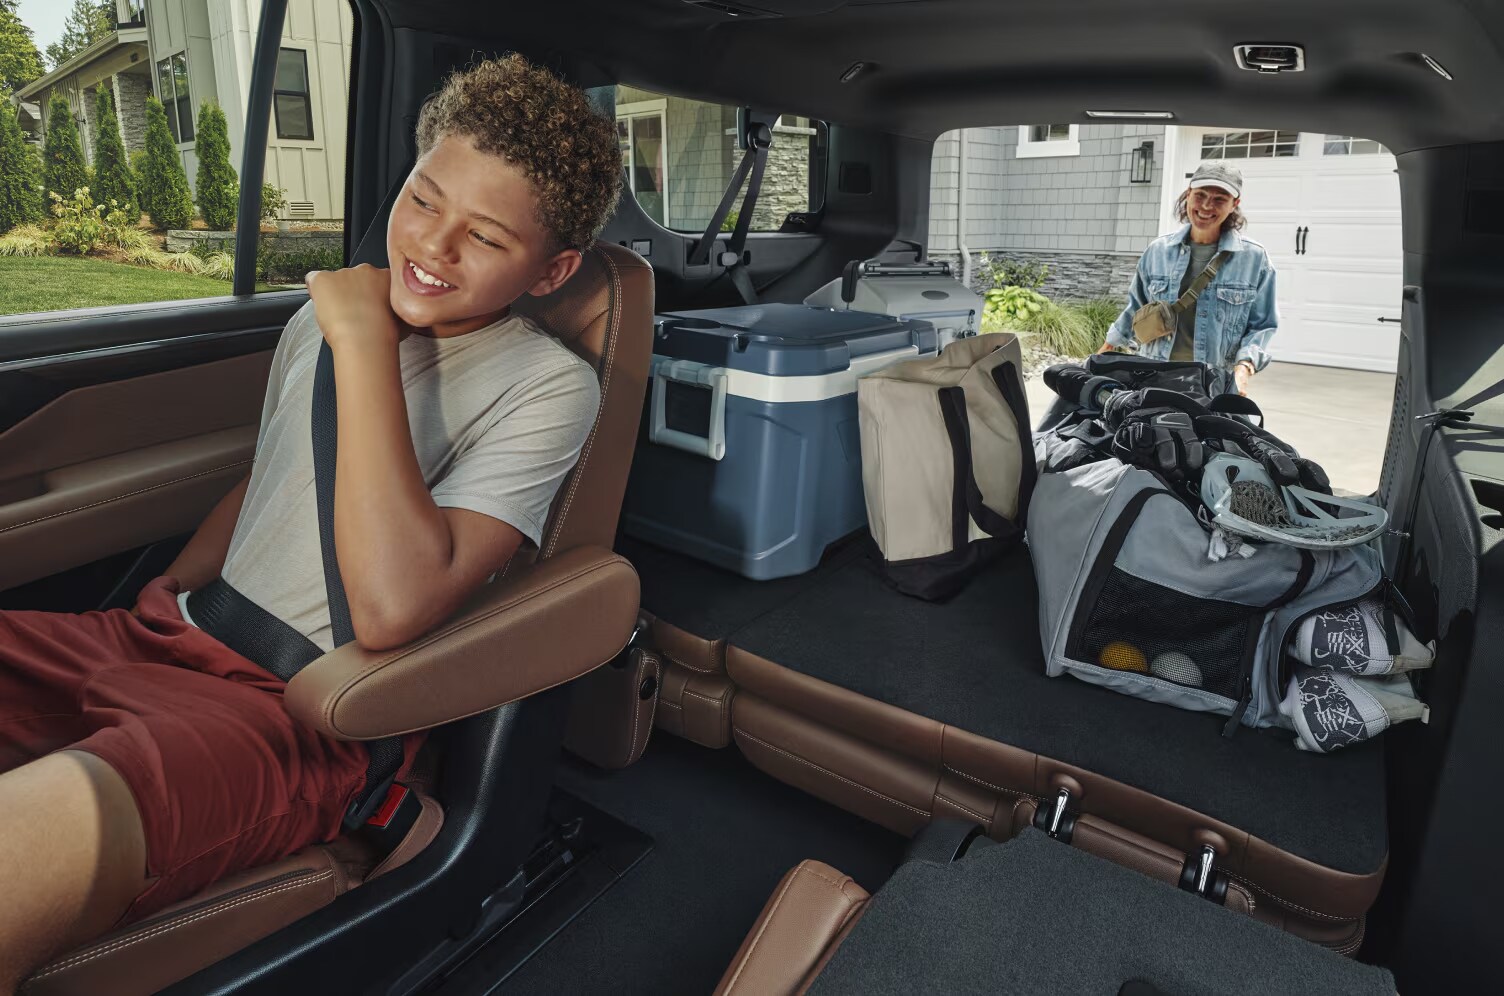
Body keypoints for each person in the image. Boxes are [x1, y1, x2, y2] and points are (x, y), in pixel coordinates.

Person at [0, 55, 623, 986]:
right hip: (162, 640)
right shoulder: (322, 325)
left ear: (552, 270)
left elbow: (393, 609)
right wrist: (169, 595)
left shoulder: (546, 387)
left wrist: (366, 341)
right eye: (422, 200)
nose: (434, 246)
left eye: (485, 238)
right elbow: (277, 477)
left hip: (296, 718)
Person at [1100, 162, 1278, 396]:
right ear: (1188, 195)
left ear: (1235, 204)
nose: (1206, 205)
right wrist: (1105, 350)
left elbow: (1262, 325)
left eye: (1219, 199)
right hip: (1154, 377)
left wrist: (1245, 366)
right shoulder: (1158, 251)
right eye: (1200, 195)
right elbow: (1136, 307)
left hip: (1214, 384)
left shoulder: (1254, 259)